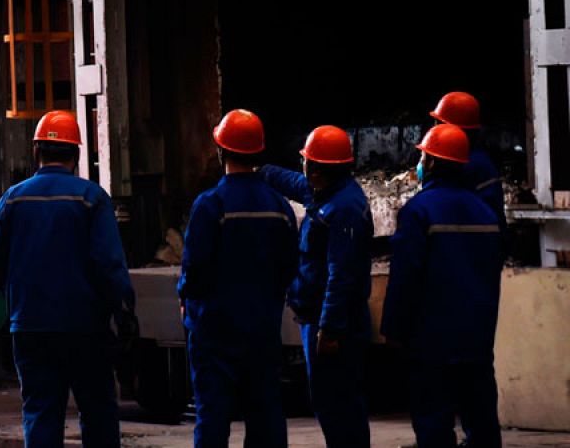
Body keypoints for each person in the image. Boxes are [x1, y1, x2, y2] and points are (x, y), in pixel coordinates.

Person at [0, 109, 136, 448]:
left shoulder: (13, 198)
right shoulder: (91, 198)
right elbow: (110, 265)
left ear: (36, 151)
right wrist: (124, 313)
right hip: (86, 328)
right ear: (77, 154)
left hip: (31, 326)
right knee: (97, 411)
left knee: (40, 412)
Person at [179, 108, 297, 448]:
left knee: (213, 416)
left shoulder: (210, 205)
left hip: (214, 330)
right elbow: (289, 266)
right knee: (266, 414)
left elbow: (194, 268)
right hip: (262, 328)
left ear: (220, 151)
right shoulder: (280, 206)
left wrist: (187, 300)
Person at [382, 123, 505, 448]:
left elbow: (405, 277)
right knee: (481, 423)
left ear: (432, 162)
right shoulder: (486, 213)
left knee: (434, 423)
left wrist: (393, 328)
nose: (419, 162)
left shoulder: (419, 211)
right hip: (477, 337)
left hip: (432, 341)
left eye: (423, 156)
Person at [260, 126, 373, 448]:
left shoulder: (344, 208)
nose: (303, 168)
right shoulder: (326, 192)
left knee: (337, 403)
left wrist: (330, 327)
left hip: (337, 325)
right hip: (318, 319)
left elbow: (342, 275)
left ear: (318, 169)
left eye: (307, 162)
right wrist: (261, 171)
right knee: (331, 401)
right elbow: (293, 183)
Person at [429, 92, 505, 223]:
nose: (434, 129)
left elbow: (437, 202)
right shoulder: (478, 160)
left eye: (439, 124)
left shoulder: (466, 165)